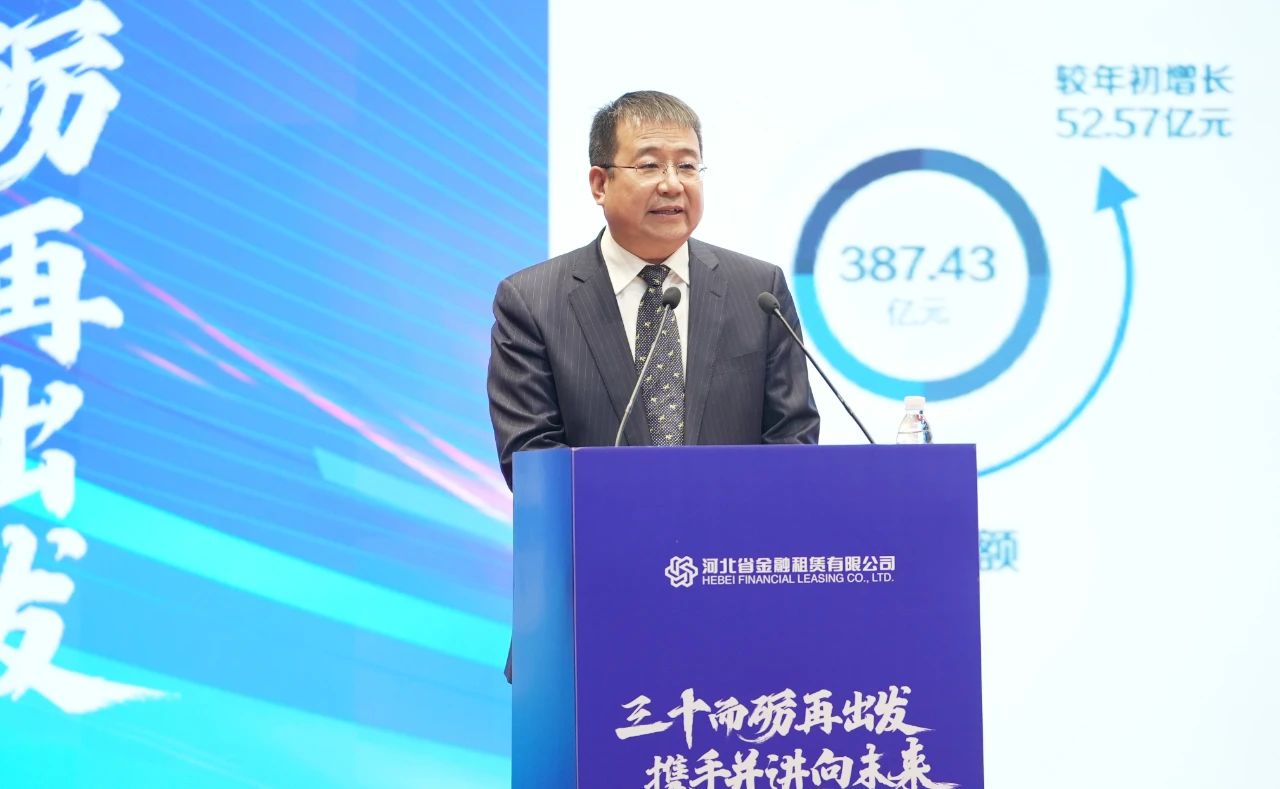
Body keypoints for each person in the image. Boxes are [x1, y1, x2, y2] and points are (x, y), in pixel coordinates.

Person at [487, 91, 820, 682]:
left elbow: (792, 441)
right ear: (599, 182)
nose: (673, 184)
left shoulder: (757, 290)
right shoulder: (533, 301)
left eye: (687, 165)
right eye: (649, 165)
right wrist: (649, 542)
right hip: (592, 610)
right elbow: (531, 460)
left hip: (737, 605)